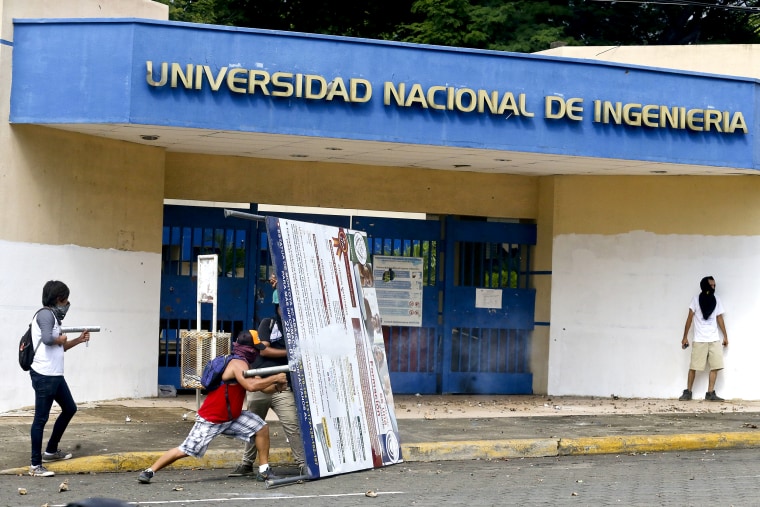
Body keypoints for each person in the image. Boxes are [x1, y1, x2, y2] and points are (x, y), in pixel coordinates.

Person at [137, 333, 287, 484]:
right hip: (212, 418)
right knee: (185, 450)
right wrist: (275, 378)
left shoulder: (245, 363)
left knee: (261, 428)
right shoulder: (237, 364)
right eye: (255, 349)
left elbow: (262, 387)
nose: (257, 353)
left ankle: (264, 471)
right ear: (248, 348)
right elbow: (251, 386)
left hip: (231, 417)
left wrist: (277, 387)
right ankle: (149, 471)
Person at [229, 305, 307, 478]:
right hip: (261, 382)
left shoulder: (297, 326)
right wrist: (291, 353)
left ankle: (302, 463)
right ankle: (246, 464)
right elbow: (264, 350)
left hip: (282, 386)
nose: (286, 309)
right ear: (277, 307)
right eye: (282, 306)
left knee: (292, 424)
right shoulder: (269, 323)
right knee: (252, 426)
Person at [28, 280, 91, 478]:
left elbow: (58, 347)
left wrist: (78, 340)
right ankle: (35, 465)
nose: (67, 303)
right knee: (40, 419)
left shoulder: (54, 317)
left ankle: (51, 451)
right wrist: (60, 338)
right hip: (45, 375)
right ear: (58, 298)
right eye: (66, 299)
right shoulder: (46, 314)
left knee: (70, 408)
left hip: (55, 375)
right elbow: (48, 340)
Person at [679, 276, 729, 402]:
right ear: (705, 286)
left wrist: (725, 336)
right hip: (699, 339)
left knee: (716, 365)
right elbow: (689, 318)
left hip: (714, 339)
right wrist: (684, 337)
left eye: (714, 285)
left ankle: (710, 393)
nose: (713, 288)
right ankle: (688, 392)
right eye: (711, 286)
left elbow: (719, 318)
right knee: (694, 366)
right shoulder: (695, 300)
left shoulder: (716, 299)